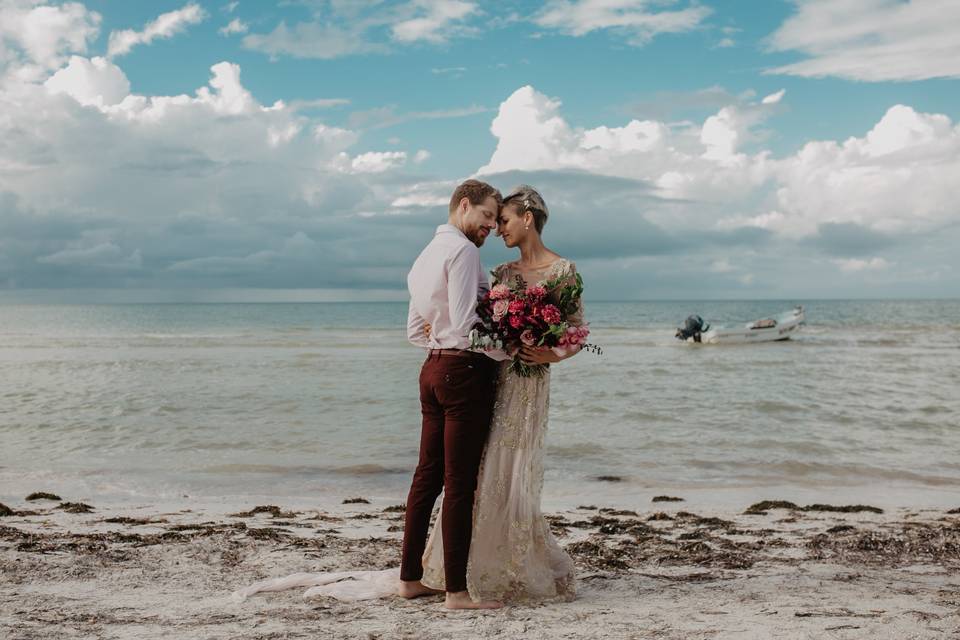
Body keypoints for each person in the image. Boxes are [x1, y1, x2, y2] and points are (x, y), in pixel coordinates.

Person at [419, 184, 583, 603]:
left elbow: (578, 333)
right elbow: (477, 323)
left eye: (504, 221)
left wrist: (550, 352)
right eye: (493, 221)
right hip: (490, 377)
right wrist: (435, 326)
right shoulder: (503, 275)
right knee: (480, 471)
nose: (497, 230)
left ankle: (512, 559)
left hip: (529, 383)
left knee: (514, 471)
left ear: (527, 218)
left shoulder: (564, 272)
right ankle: (469, 564)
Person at [399, 179, 510, 610]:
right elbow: (466, 325)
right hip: (463, 373)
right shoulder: (464, 252)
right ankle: (457, 594)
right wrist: (507, 351)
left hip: (431, 369)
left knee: (426, 477)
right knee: (460, 483)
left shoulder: (424, 256)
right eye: (486, 217)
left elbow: (413, 331)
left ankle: (409, 579)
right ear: (465, 206)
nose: (489, 228)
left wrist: (441, 339)